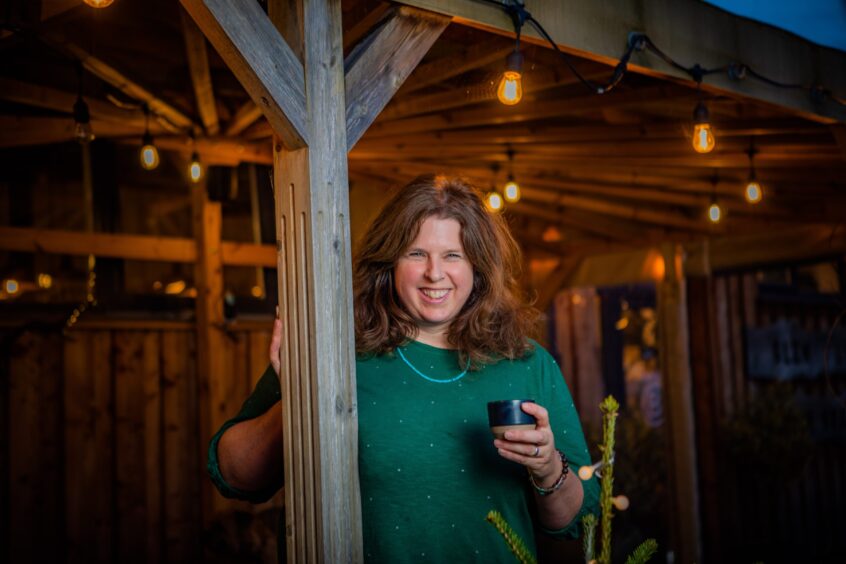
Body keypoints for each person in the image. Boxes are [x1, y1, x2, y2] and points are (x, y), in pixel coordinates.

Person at [208, 174, 600, 562]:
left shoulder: (527, 362)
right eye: (416, 253)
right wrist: (299, 397)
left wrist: (549, 468)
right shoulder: (332, 354)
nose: (434, 273)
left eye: (453, 255)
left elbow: (576, 521)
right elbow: (234, 476)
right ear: (389, 262)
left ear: (477, 267)